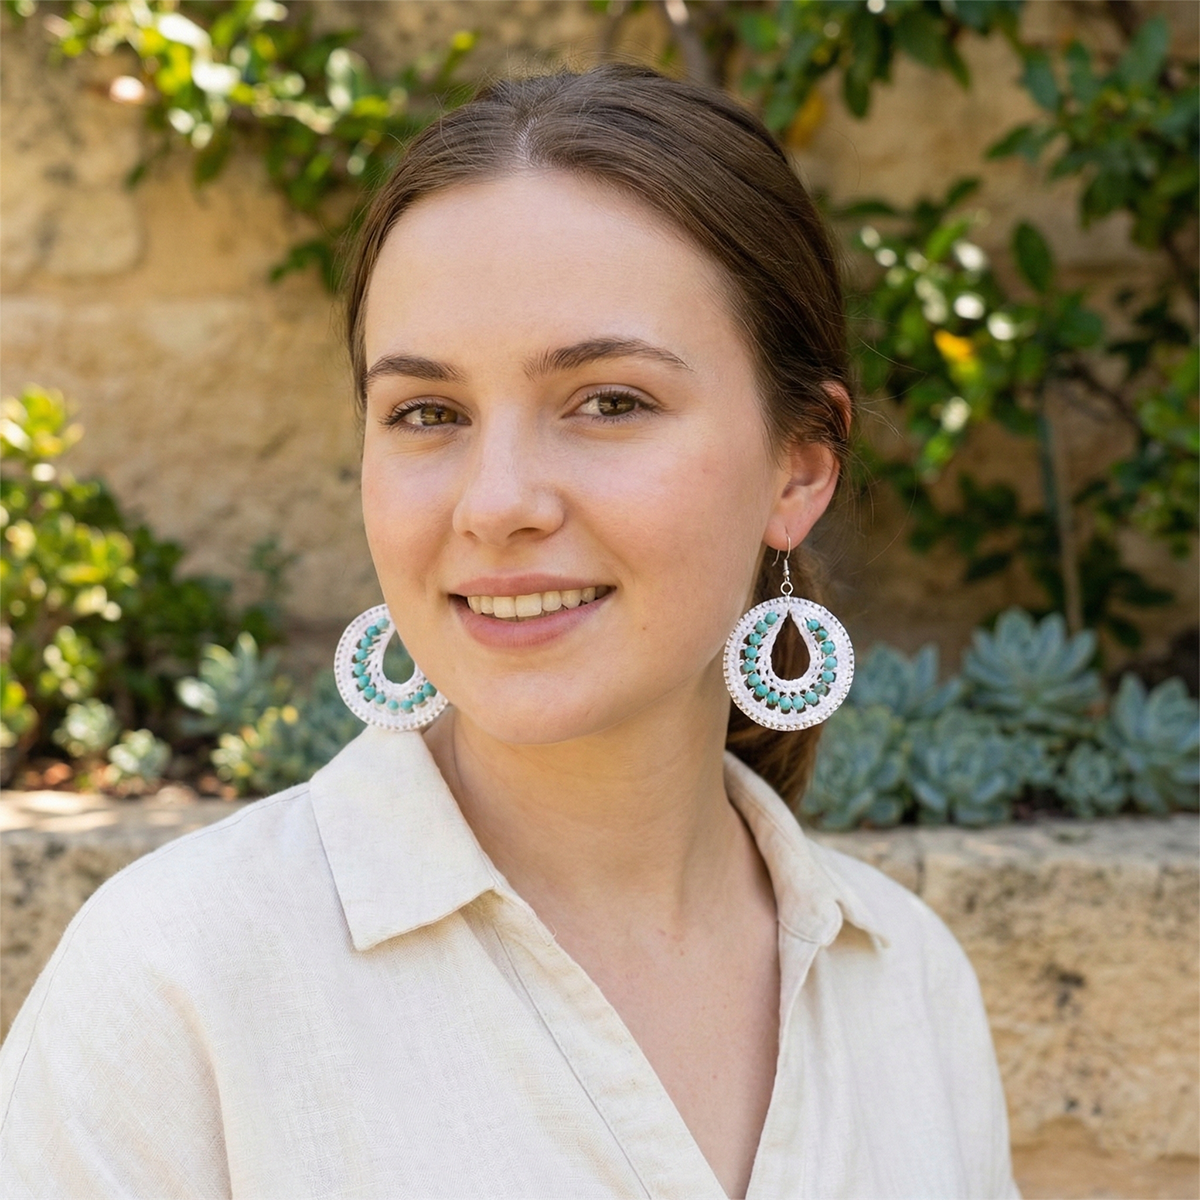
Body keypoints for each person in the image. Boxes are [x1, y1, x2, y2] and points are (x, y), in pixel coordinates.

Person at [0, 65, 1019, 1199]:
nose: (497, 503)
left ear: (799, 467)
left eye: (610, 401)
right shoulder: (178, 981)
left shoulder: (906, 980)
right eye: (429, 413)